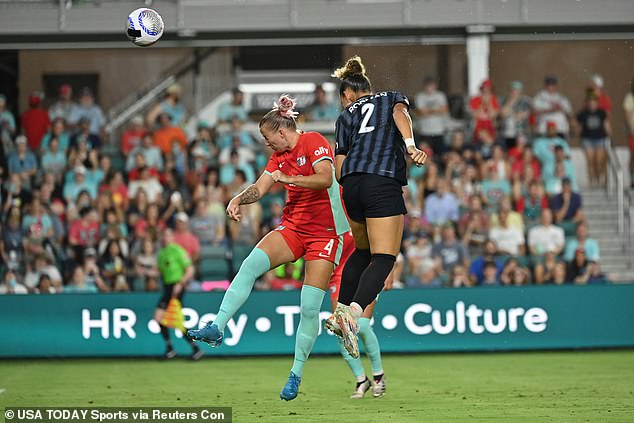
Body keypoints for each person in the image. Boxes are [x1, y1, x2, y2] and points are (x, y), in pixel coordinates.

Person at [188, 95, 350, 401]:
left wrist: (288, 178)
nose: (266, 144)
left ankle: (296, 373)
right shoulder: (278, 157)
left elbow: (326, 179)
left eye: (266, 137)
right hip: (293, 229)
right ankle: (217, 326)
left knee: (308, 306)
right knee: (250, 265)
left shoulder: (313, 141)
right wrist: (237, 198)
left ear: (282, 132)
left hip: (326, 234)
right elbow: (260, 188)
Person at [328, 56, 426, 358]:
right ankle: (352, 316)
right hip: (382, 182)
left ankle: (339, 310)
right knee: (384, 258)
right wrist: (409, 145)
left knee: (362, 252)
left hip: (352, 187)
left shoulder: (345, 118)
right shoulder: (390, 97)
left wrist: (356, 184)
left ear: (347, 94)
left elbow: (339, 169)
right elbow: (400, 113)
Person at [325, 231, 388, 399]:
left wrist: (390, 269)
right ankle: (361, 380)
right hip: (338, 277)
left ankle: (378, 376)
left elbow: (386, 237)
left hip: (367, 274)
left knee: (364, 326)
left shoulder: (360, 211)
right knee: (342, 330)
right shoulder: (331, 218)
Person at [156, 228, 202, 360]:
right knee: (161, 318)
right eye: (164, 235)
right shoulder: (162, 254)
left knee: (174, 320)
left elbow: (190, 269)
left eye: (168, 235)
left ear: (172, 237)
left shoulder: (177, 250)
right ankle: (174, 348)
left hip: (176, 287)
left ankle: (192, 348)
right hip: (167, 287)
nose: (165, 238)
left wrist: (181, 283)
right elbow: (160, 272)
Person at [576, 92, 610, 187]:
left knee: (598, 161)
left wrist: (610, 136)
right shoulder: (582, 113)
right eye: (590, 101)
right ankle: (592, 181)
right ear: (587, 102)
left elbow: (606, 125)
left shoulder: (601, 112)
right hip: (587, 139)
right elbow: (578, 127)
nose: (592, 103)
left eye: (593, 101)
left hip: (600, 138)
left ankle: (599, 178)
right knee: (590, 161)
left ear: (596, 102)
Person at [414, 76, 448, 156]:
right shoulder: (420, 96)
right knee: (426, 154)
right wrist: (437, 110)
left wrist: (428, 111)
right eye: (427, 85)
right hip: (425, 131)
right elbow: (422, 112)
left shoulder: (440, 95)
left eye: (431, 85)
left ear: (435, 86)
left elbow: (445, 110)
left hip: (438, 130)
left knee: (441, 154)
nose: (429, 87)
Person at [533, 74, 572, 139]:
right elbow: (534, 112)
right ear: (545, 85)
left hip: (560, 129)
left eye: (553, 84)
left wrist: (561, 109)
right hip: (544, 129)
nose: (550, 86)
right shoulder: (539, 97)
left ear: (556, 85)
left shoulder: (561, 97)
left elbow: (569, 112)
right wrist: (549, 110)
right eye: (549, 84)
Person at [623, 77, 634, 188]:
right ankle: (632, 179)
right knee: (633, 156)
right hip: (633, 132)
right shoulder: (630, 98)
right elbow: (627, 116)